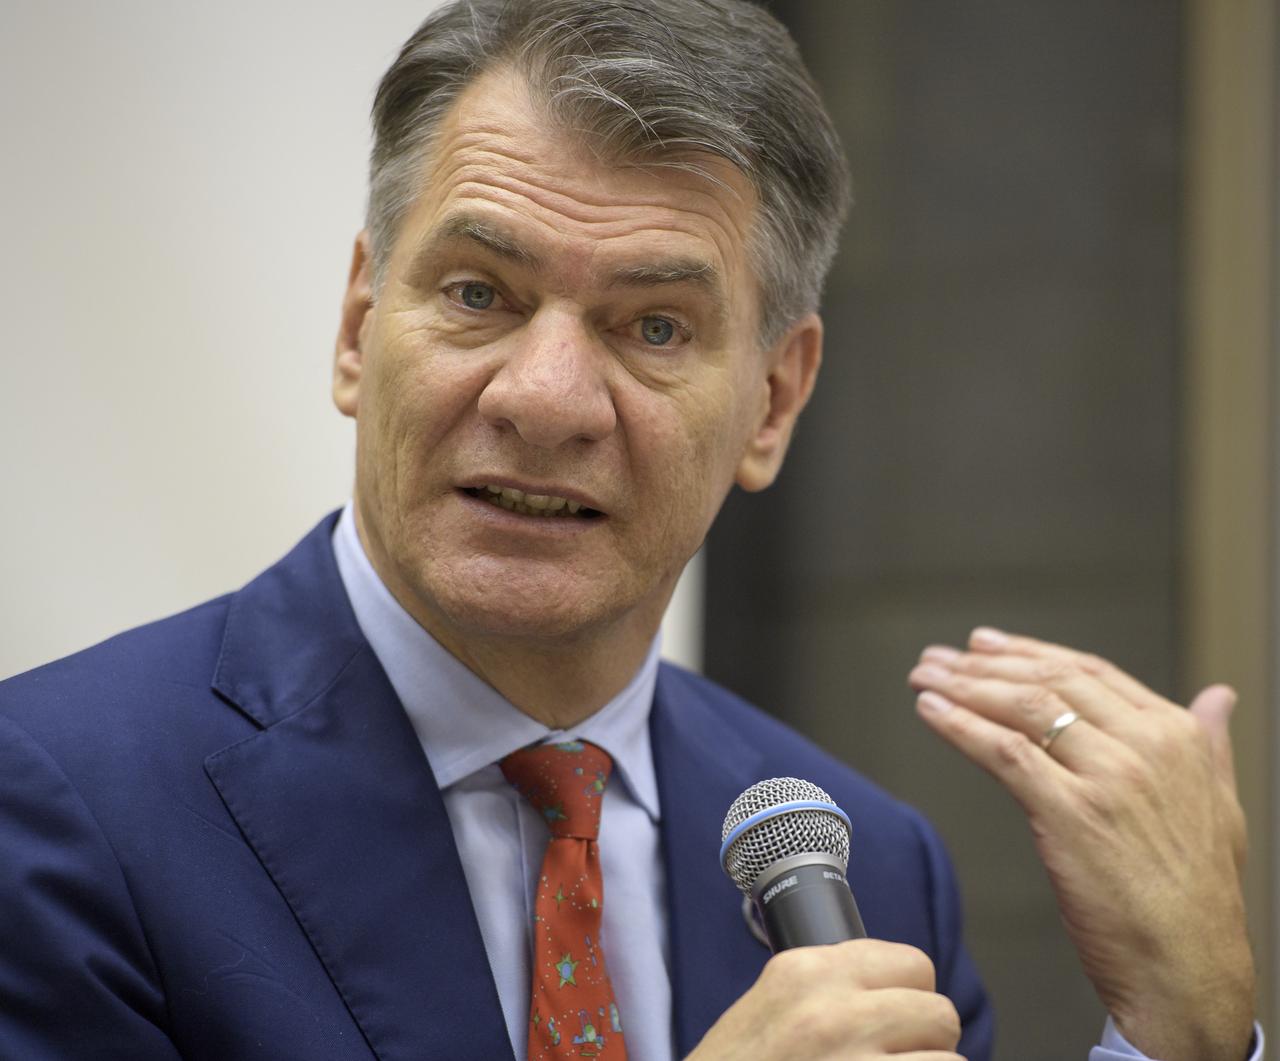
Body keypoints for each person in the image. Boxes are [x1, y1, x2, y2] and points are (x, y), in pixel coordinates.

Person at [0, 1, 1258, 1058]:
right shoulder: (63, 802)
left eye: (652, 325)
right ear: (355, 327)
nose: (543, 399)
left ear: (771, 401)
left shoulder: (869, 860)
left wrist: (1178, 1034)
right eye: (478, 293)